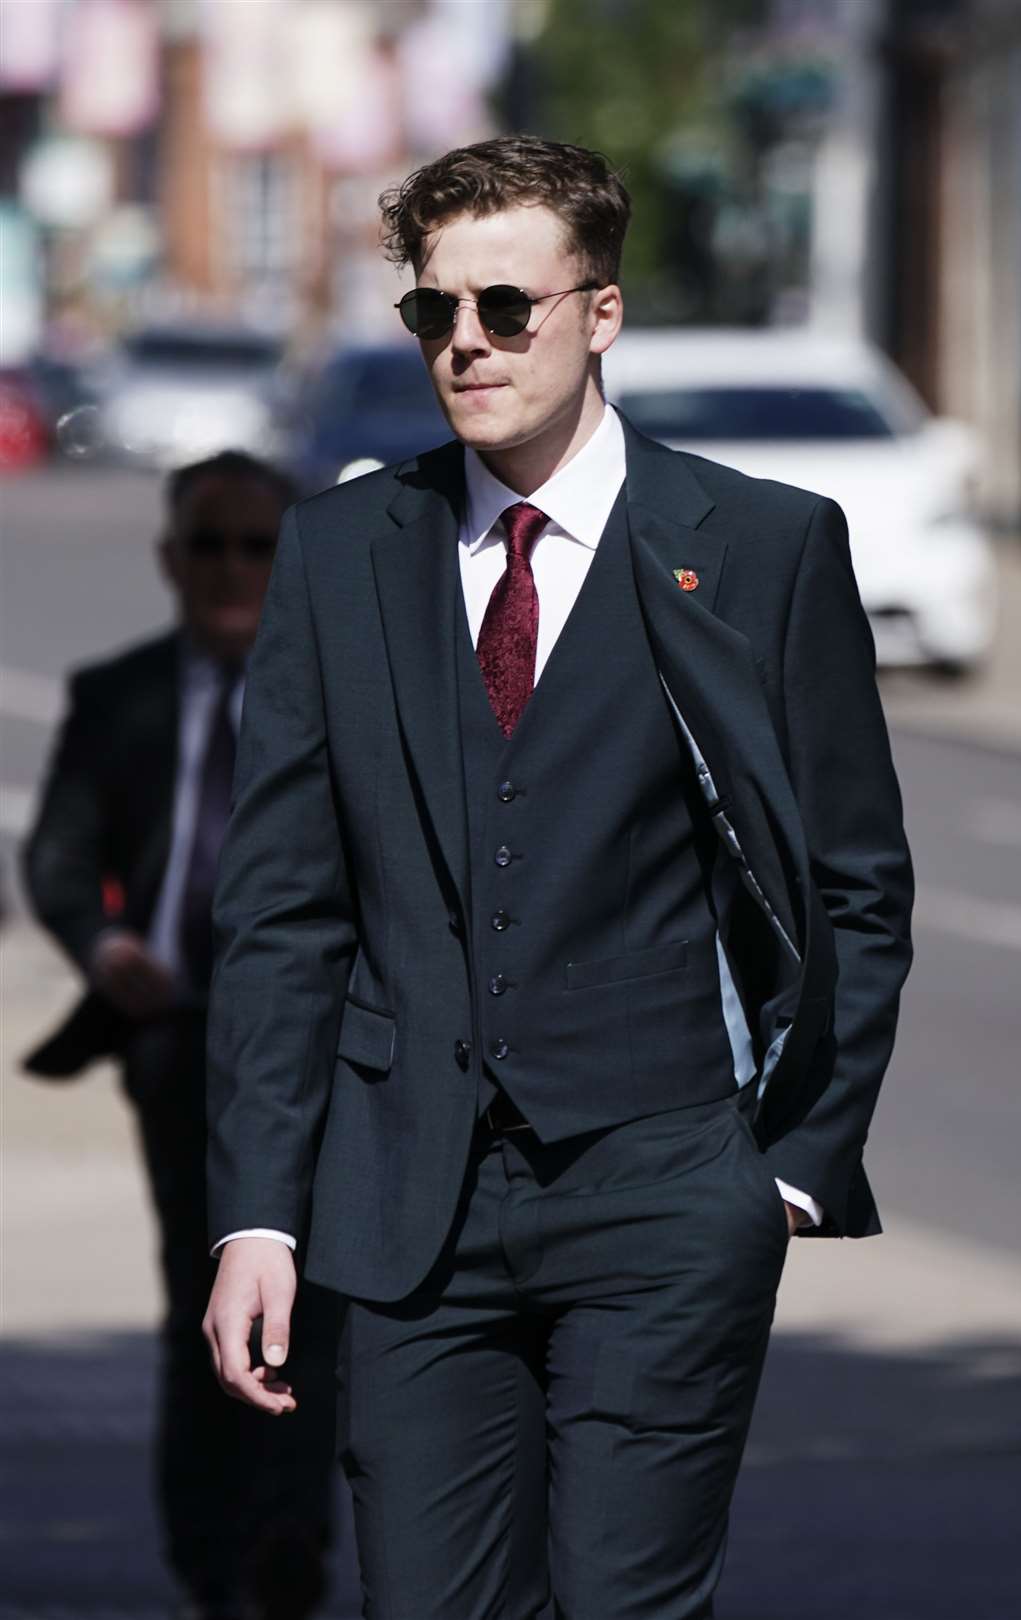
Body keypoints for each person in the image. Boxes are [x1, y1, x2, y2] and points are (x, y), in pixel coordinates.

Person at [203, 136, 915, 1619]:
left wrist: (782, 1172)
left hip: (665, 1188)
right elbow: (281, 915)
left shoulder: (765, 546)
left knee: (622, 1603)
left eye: (507, 308)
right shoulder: (341, 554)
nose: (467, 343)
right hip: (409, 1213)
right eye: (435, 313)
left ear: (599, 314)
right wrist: (257, 1214)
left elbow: (855, 883)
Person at [23, 451, 338, 1620]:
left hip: (322, 1047)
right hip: (178, 1039)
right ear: (170, 559)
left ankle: (289, 1531)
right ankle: (211, 1553)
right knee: (201, 1291)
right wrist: (104, 950)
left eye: (258, 545)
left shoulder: (349, 691)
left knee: (326, 1297)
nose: (231, 570)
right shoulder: (122, 695)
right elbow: (57, 859)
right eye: (209, 544)